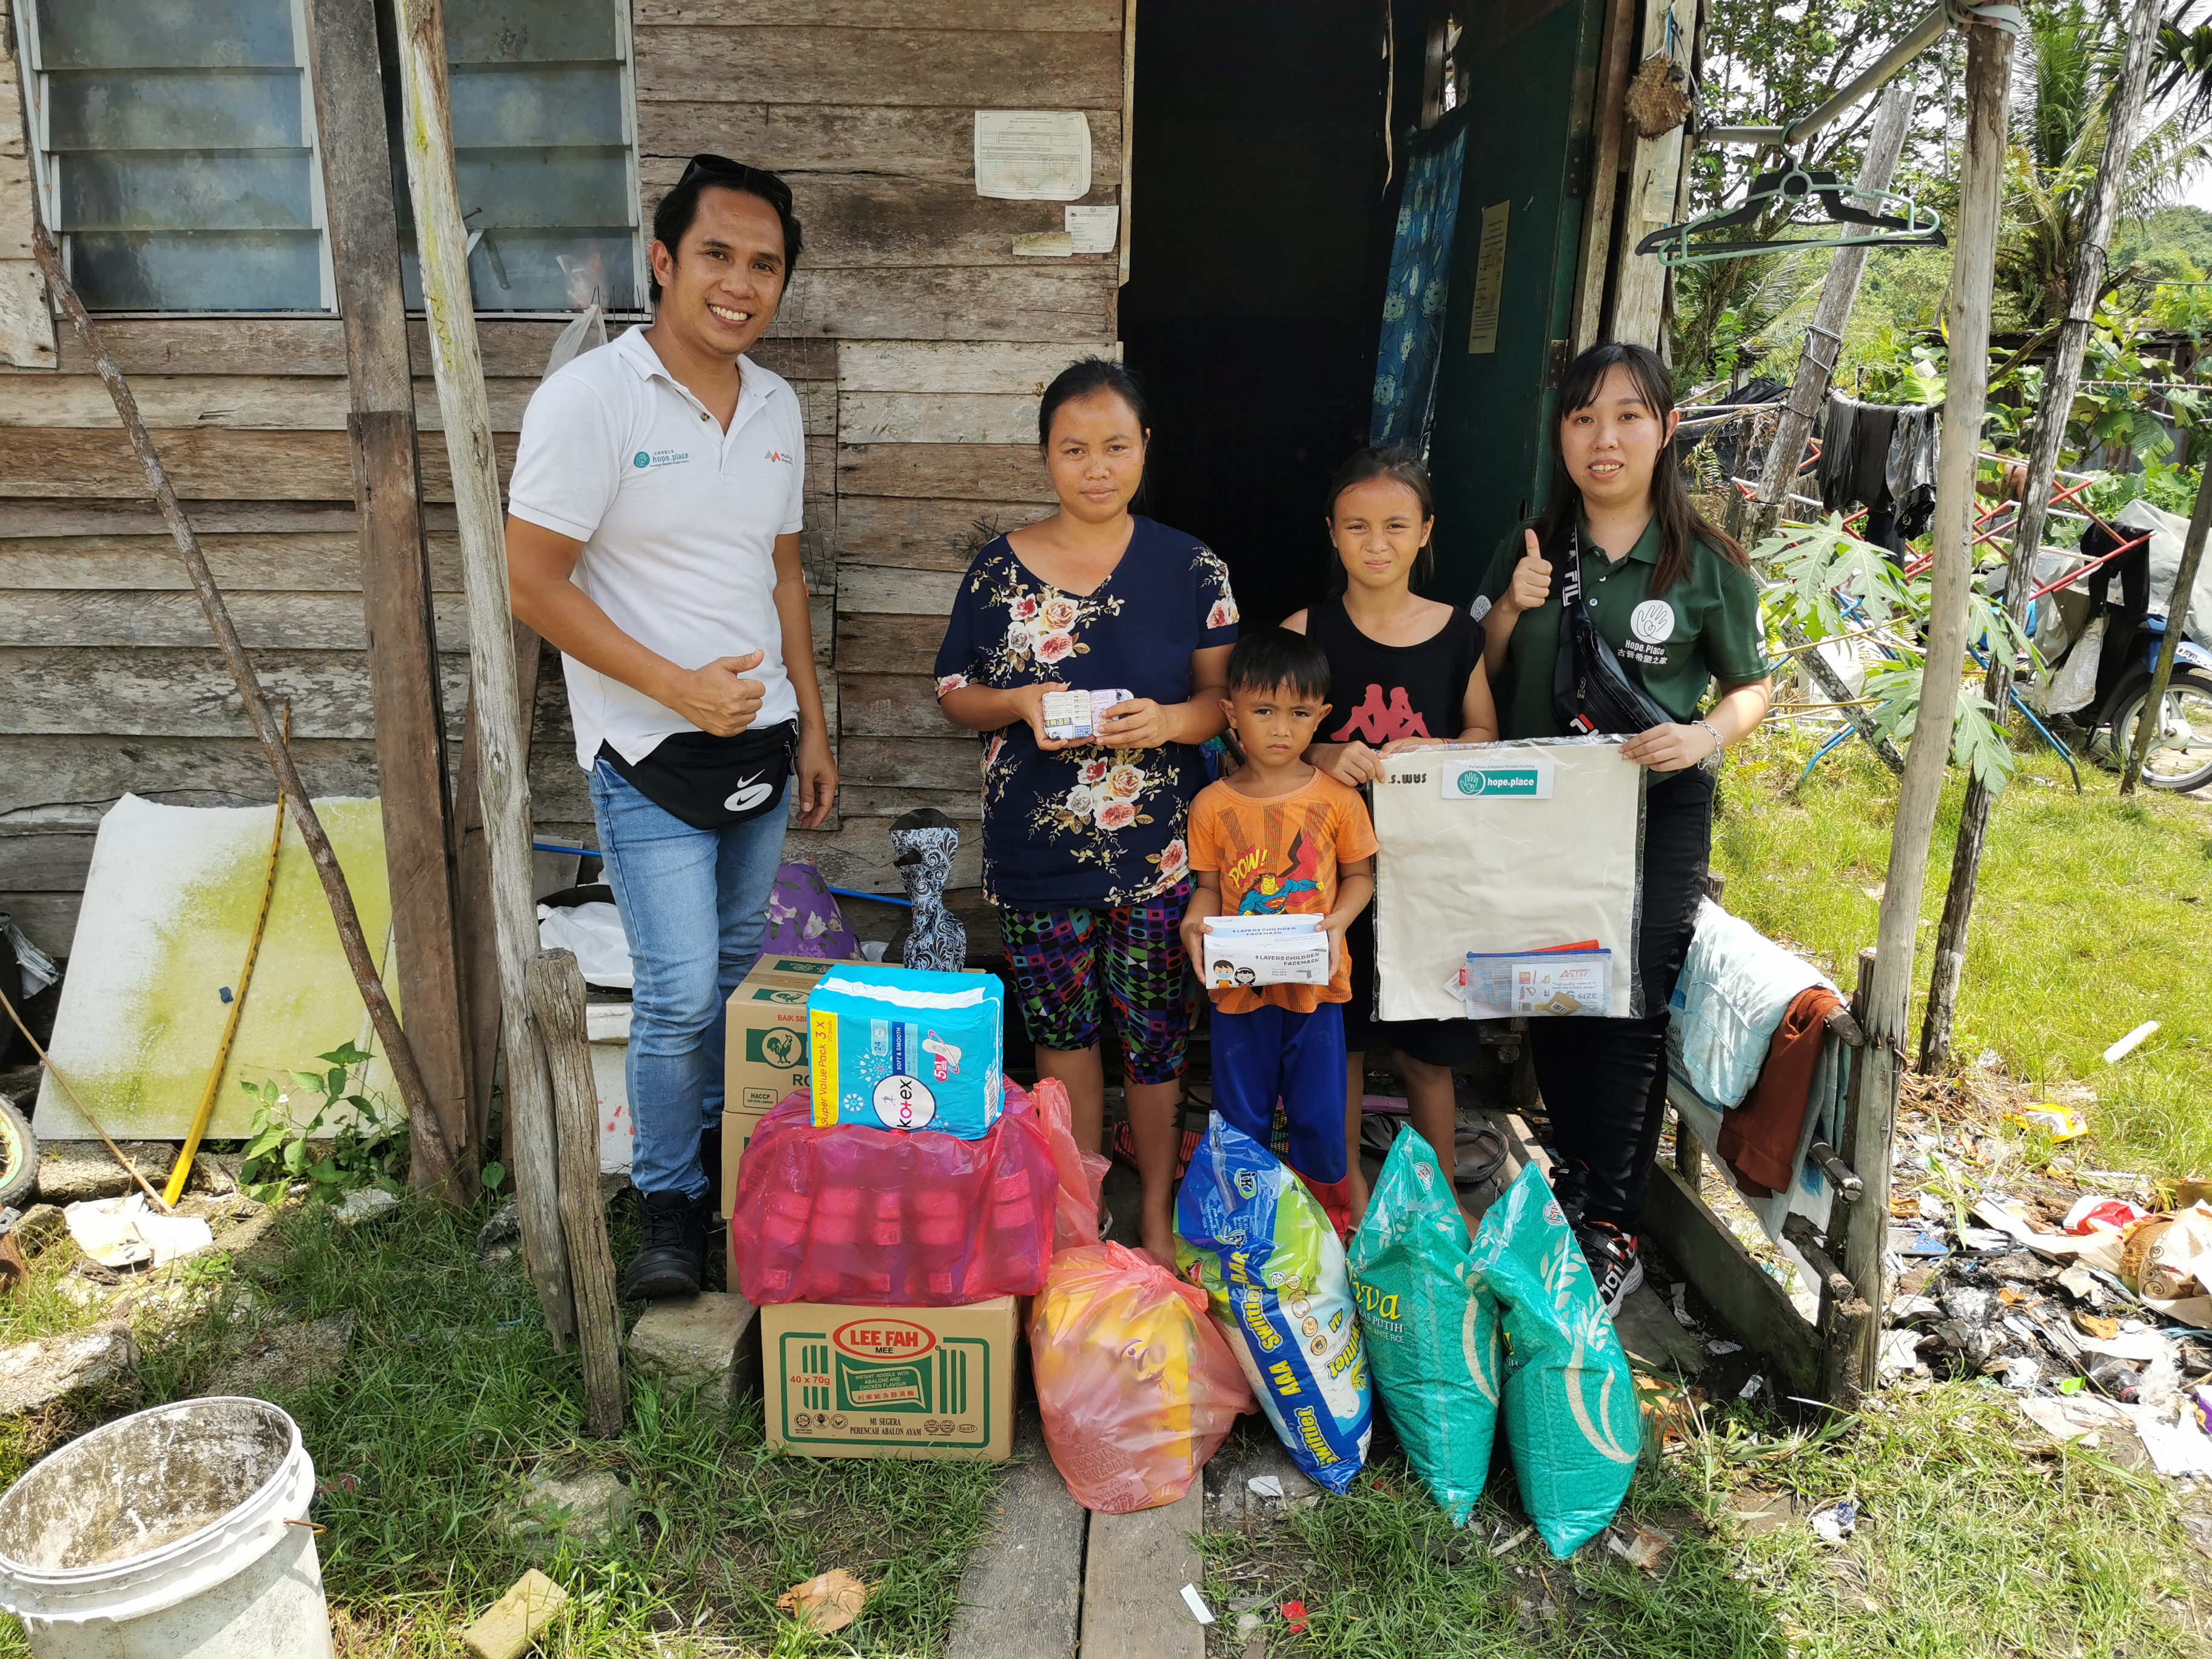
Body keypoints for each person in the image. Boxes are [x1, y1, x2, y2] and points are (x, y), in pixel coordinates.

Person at [507, 156, 837, 1301]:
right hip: (646, 753)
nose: (740, 285)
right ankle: (667, 1209)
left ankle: (718, 1169)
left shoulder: (779, 406)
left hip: (761, 742)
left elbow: (783, 575)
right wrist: (674, 687)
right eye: (716, 256)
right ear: (663, 261)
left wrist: (812, 724)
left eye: (765, 266)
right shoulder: (591, 400)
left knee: (738, 975)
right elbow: (532, 582)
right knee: (680, 992)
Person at [1474, 341, 1772, 1310]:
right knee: (1556, 989)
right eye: (1583, 418)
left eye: (1628, 416)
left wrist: (1703, 736)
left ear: (1667, 429)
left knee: (1629, 1006)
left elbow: (1753, 687)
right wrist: (1507, 613)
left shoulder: (1706, 563)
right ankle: (1575, 1179)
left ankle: (1611, 1226)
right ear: (1561, 434)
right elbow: (1479, 670)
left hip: (1655, 808)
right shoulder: (1528, 549)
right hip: (1541, 805)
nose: (1604, 439)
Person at [934, 359, 1238, 1265]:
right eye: (1074, 449)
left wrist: (1169, 722)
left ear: (1145, 447)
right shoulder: (998, 570)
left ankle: (1156, 1212)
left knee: (1155, 1038)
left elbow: (1224, 703)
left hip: (1159, 854)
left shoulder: (1193, 567)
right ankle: (1079, 1209)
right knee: (1062, 1036)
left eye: (1115, 446)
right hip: (1037, 854)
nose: (1096, 467)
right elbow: (953, 692)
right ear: (1046, 456)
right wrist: (1016, 702)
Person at [1283, 447, 1498, 1219]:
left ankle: (1435, 1205)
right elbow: (1256, 736)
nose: (1377, 543)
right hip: (1326, 874)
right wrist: (1321, 752)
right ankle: (1348, 1198)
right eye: (1358, 526)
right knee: (1339, 1042)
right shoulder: (1306, 631)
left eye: (1396, 526)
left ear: (1426, 532)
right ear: (1332, 532)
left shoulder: (1457, 635)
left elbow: (1485, 735)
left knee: (1428, 1048)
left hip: (1427, 873)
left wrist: (1438, 749)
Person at [1179, 628, 1377, 1235]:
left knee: (1320, 1115)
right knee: (1241, 1116)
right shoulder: (1211, 806)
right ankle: (1245, 1230)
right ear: (1231, 713)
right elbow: (1209, 887)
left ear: (1321, 716)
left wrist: (1339, 920)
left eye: (1298, 713)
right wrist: (1194, 921)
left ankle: (1324, 1233)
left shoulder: (1339, 800)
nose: (1281, 729)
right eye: (1263, 712)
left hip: (1317, 990)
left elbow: (1360, 876)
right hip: (1240, 992)